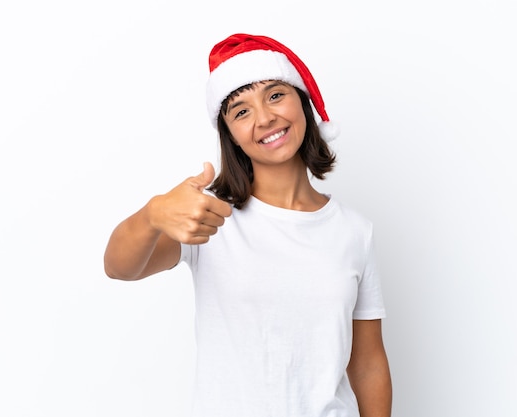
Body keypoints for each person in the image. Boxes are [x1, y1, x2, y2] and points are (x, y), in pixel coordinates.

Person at [104, 33, 392, 417]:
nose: (265, 118)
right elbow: (120, 267)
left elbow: (368, 363)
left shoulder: (354, 231)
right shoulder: (209, 217)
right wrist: (152, 214)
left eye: (275, 95)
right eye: (241, 111)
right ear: (232, 137)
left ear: (301, 102)